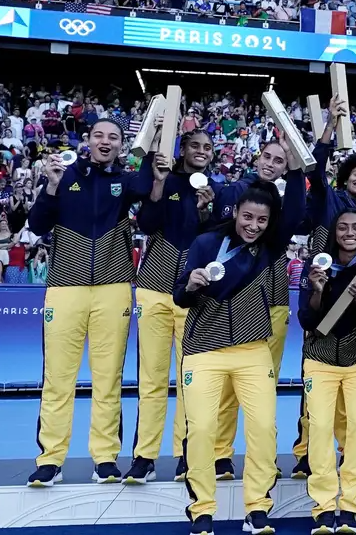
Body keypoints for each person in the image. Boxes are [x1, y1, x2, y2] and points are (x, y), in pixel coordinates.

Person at [174, 165, 305, 535]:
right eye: (247, 217)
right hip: (203, 350)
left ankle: (258, 508)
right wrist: (193, 284)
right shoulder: (204, 243)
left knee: (264, 428)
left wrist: (295, 168)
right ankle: (202, 509)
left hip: (252, 350)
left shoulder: (268, 247)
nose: (253, 225)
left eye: (262, 220)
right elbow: (179, 296)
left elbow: (294, 210)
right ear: (235, 213)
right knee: (200, 429)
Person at [26, 119, 155, 487]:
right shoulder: (64, 176)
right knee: (57, 380)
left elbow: (147, 184)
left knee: (108, 378)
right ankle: (50, 459)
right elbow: (36, 225)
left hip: (113, 288)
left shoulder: (127, 182)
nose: (105, 141)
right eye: (99, 135)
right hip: (65, 286)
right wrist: (50, 186)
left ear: (121, 145)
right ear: (87, 140)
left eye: (113, 137)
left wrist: (151, 139)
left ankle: (105, 458)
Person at [292, 98, 356, 479]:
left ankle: (350, 452)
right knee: (313, 380)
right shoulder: (328, 200)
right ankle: (305, 451)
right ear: (345, 176)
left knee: (354, 381)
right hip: (322, 290)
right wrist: (330, 125)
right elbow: (314, 166)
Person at [125, 127, 219, 484]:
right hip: (153, 290)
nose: (201, 150)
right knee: (151, 378)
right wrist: (159, 185)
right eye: (195, 145)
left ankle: (185, 454)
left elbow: (211, 239)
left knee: (189, 380)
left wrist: (204, 211)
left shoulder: (214, 188)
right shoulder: (165, 177)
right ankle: (144, 456)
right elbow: (147, 224)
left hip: (192, 295)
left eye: (207, 146)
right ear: (182, 150)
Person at [211, 139, 297, 479]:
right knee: (228, 386)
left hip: (274, 304)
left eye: (279, 161)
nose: (271, 163)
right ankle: (220, 455)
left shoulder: (285, 201)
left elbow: (299, 212)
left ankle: (265, 458)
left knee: (266, 388)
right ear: (257, 157)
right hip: (235, 300)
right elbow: (214, 235)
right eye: (267, 156)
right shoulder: (232, 192)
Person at [297, 208, 356, 535]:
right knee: (319, 429)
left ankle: (351, 504)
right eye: (343, 227)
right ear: (334, 231)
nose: (349, 232)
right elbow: (307, 319)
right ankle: (324, 506)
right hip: (320, 360)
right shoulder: (318, 264)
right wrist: (317, 289)